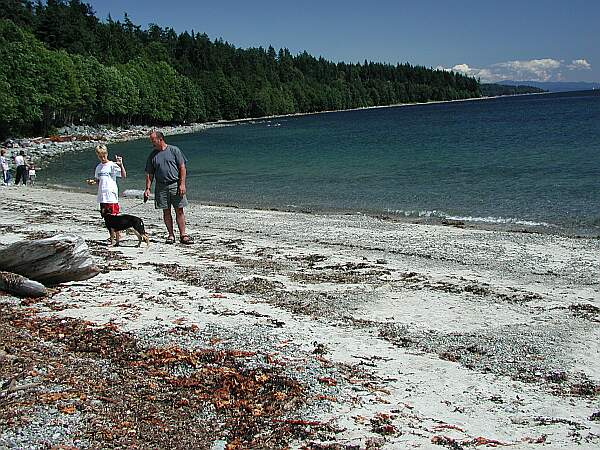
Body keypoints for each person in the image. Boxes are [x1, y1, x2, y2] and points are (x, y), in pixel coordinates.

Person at [144, 131, 193, 244]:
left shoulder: (174, 150)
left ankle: (183, 234)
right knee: (166, 211)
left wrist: (182, 184)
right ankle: (171, 235)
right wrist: (147, 189)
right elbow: (149, 174)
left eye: (153, 140)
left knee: (179, 210)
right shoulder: (152, 155)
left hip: (175, 184)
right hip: (161, 186)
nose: (152, 142)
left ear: (160, 139)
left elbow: (182, 168)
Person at [92, 145, 126, 241]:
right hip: (102, 196)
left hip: (111, 195)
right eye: (100, 156)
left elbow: (123, 175)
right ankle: (112, 236)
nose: (102, 158)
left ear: (107, 154)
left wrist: (121, 165)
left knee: (115, 217)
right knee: (107, 218)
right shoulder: (98, 167)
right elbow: (98, 180)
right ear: (98, 156)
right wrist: (93, 182)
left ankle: (118, 236)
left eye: (104, 155)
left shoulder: (112, 165)